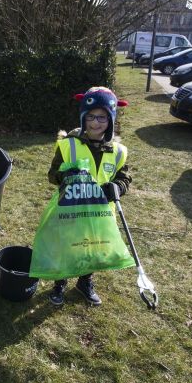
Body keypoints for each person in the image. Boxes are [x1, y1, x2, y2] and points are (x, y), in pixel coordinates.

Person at [47, 86, 131, 307]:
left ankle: (85, 282)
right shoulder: (68, 145)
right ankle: (60, 283)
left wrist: (117, 187)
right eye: (91, 117)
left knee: (94, 247)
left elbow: (124, 177)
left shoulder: (119, 151)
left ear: (111, 120)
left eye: (102, 117)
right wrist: (65, 175)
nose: (96, 123)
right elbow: (52, 174)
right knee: (68, 246)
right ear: (83, 117)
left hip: (101, 212)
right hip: (71, 208)